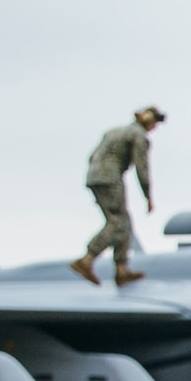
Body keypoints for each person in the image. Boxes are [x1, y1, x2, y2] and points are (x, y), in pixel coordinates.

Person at [71, 105, 163, 287]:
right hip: (110, 179)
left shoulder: (113, 132)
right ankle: (87, 260)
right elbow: (141, 167)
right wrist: (148, 196)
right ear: (148, 121)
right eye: (155, 123)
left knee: (123, 222)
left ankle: (122, 270)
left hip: (94, 177)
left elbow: (92, 157)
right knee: (118, 223)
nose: (155, 127)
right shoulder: (139, 136)